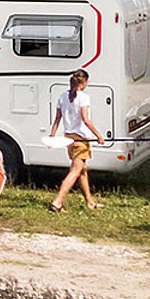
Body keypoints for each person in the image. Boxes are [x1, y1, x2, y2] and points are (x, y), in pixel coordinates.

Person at [47, 68, 106, 212]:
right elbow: (86, 119)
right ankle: (57, 201)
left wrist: (52, 136)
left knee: (82, 170)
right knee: (74, 171)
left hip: (69, 140)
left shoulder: (63, 96)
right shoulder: (83, 97)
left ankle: (90, 202)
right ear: (84, 82)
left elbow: (57, 119)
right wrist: (98, 135)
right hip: (81, 140)